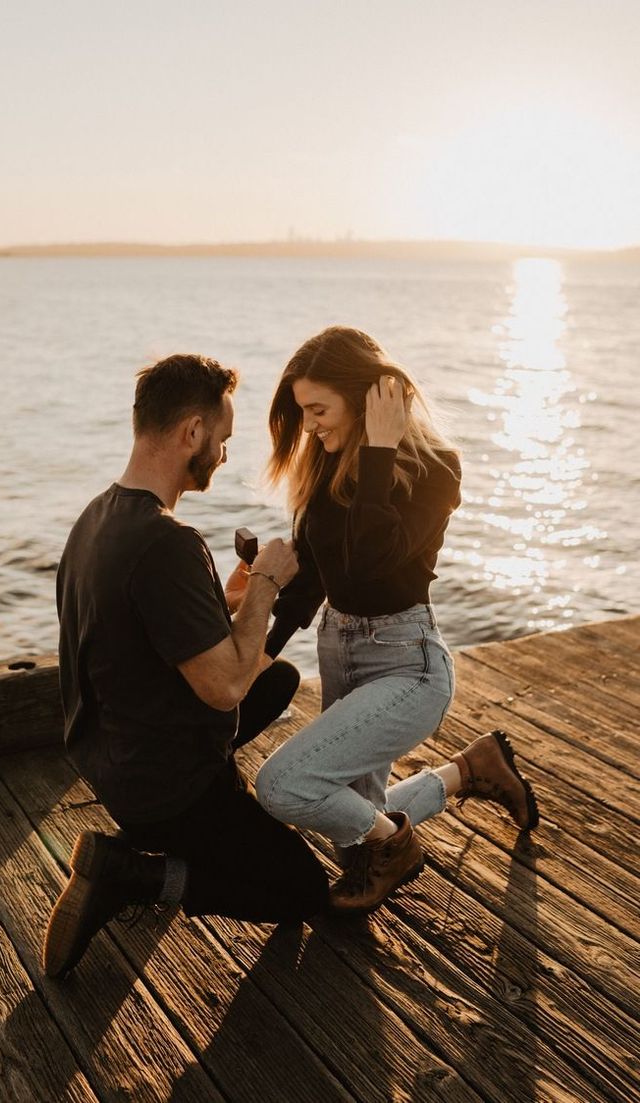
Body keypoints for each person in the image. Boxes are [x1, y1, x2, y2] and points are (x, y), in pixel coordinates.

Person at [42, 353, 329, 979]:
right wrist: (265, 588)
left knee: (277, 679)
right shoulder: (168, 544)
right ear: (192, 433)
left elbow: (147, 628)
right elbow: (225, 687)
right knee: (304, 890)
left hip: (110, 758)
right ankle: (136, 875)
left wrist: (231, 598)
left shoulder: (96, 520)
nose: (223, 456)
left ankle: (164, 840)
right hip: (165, 788)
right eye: (222, 440)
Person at [254, 326, 540, 915]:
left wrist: (379, 452)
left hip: (407, 664)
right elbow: (314, 580)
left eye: (318, 410)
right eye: (302, 412)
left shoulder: (436, 470)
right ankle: (470, 769)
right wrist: (257, 658)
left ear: (366, 402)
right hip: (339, 650)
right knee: (349, 831)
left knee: (289, 788)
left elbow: (370, 561)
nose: (309, 426)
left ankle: (402, 849)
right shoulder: (323, 470)